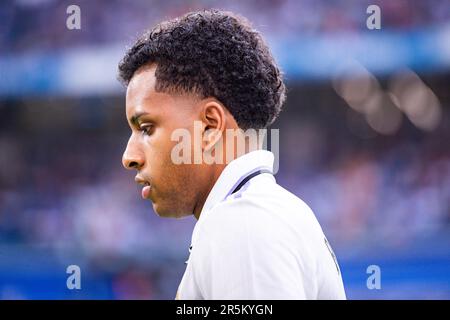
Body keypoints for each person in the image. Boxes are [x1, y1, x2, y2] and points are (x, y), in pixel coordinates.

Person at [119, 9, 345, 299]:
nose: (129, 156)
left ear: (210, 126)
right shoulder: (265, 211)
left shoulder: (242, 223)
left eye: (147, 128)